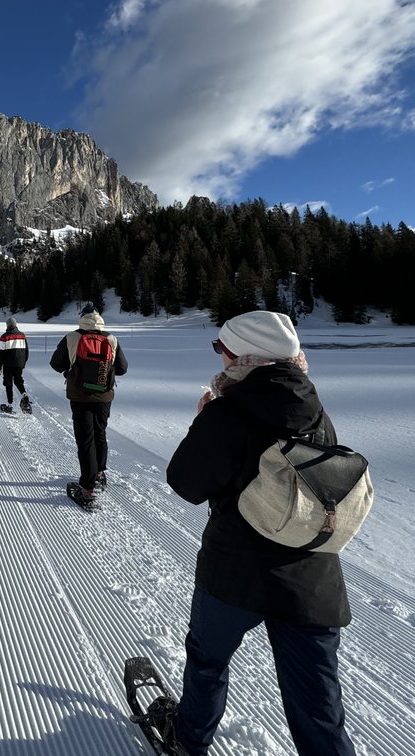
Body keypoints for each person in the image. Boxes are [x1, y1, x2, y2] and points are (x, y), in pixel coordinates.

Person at [166, 310, 356, 756]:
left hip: (235, 573)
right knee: (317, 704)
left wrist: (205, 421)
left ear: (245, 356)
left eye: (222, 348)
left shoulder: (228, 411)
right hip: (311, 576)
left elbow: (185, 482)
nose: (219, 355)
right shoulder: (315, 409)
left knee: (208, 661)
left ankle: (188, 742)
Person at [49, 307, 127, 503]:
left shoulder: (72, 337)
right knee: (100, 433)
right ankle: (99, 474)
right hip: (104, 396)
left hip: (80, 396)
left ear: (81, 319)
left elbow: (55, 363)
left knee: (85, 439)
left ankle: (87, 487)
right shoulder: (111, 339)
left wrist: (70, 370)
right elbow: (123, 368)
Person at [0, 317, 31, 413]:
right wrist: (23, 362)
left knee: (8, 383)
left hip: (8, 364)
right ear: (15, 324)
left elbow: (0, 353)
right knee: (18, 380)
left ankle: (10, 405)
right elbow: (26, 351)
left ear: (7, 325)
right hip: (19, 363)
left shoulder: (4, 337)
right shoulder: (22, 335)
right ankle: (24, 395)